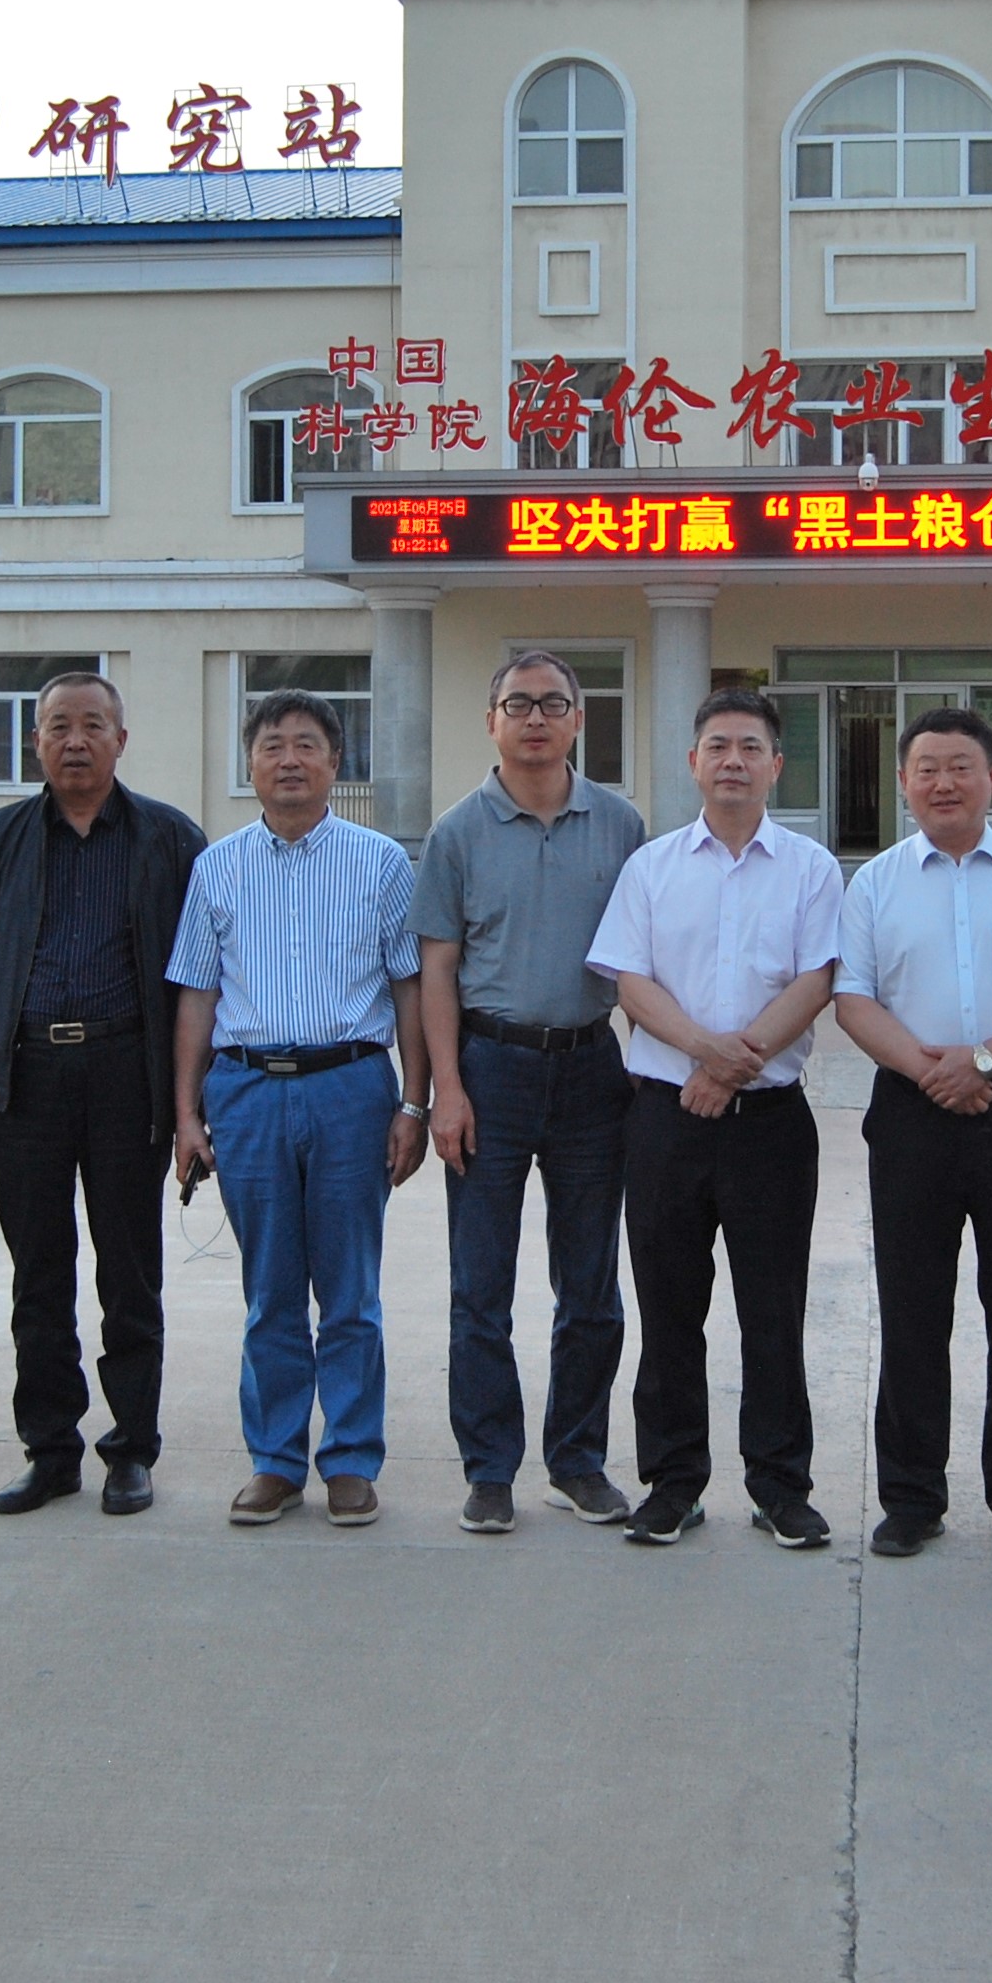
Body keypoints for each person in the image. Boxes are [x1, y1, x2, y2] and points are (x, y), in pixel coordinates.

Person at [585, 685, 844, 1550]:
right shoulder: (652, 868)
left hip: (771, 1125)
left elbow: (817, 980)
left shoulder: (810, 868)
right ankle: (673, 1483)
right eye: (718, 747)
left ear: (776, 764)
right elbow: (630, 981)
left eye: (750, 747)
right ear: (693, 762)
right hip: (665, 1119)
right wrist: (705, 1056)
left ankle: (780, 1486)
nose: (734, 761)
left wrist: (735, 1070)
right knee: (668, 1309)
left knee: (774, 1310)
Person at [167, 687, 428, 1526]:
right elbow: (197, 995)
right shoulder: (216, 867)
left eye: (306, 744)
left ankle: (350, 1458)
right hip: (246, 1091)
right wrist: (187, 1115)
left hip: (351, 1087)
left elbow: (410, 987)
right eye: (272, 744)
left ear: (335, 762)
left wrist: (414, 1103)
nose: (289, 759)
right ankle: (275, 1460)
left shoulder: (381, 863)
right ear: (249, 763)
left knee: (349, 1290)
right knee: (271, 1290)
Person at [833, 706, 992, 1560]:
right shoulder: (874, 884)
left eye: (961, 767)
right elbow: (853, 999)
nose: (944, 783)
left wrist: (980, 1062)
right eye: (927, 769)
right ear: (903, 782)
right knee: (912, 1308)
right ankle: (911, 1497)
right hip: (912, 1109)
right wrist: (931, 1071)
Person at [0, 669, 203, 1522]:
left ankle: (130, 1451)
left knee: (129, 1275)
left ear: (121, 740)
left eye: (93, 725)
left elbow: (200, 976)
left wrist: (188, 1106)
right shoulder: (5, 836)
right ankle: (50, 1450)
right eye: (58, 725)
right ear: (36, 742)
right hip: (28, 1079)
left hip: (127, 1074)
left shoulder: (169, 837)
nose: (75, 741)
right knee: (38, 1276)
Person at [416, 651, 648, 1534]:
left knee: (589, 1283)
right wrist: (445, 1089)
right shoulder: (456, 833)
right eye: (519, 704)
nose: (537, 719)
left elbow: (644, 958)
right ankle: (489, 1469)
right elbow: (438, 969)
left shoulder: (620, 825)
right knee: (480, 1285)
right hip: (491, 1070)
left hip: (592, 1069)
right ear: (492, 722)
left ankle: (577, 1461)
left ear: (579, 720)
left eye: (554, 703)